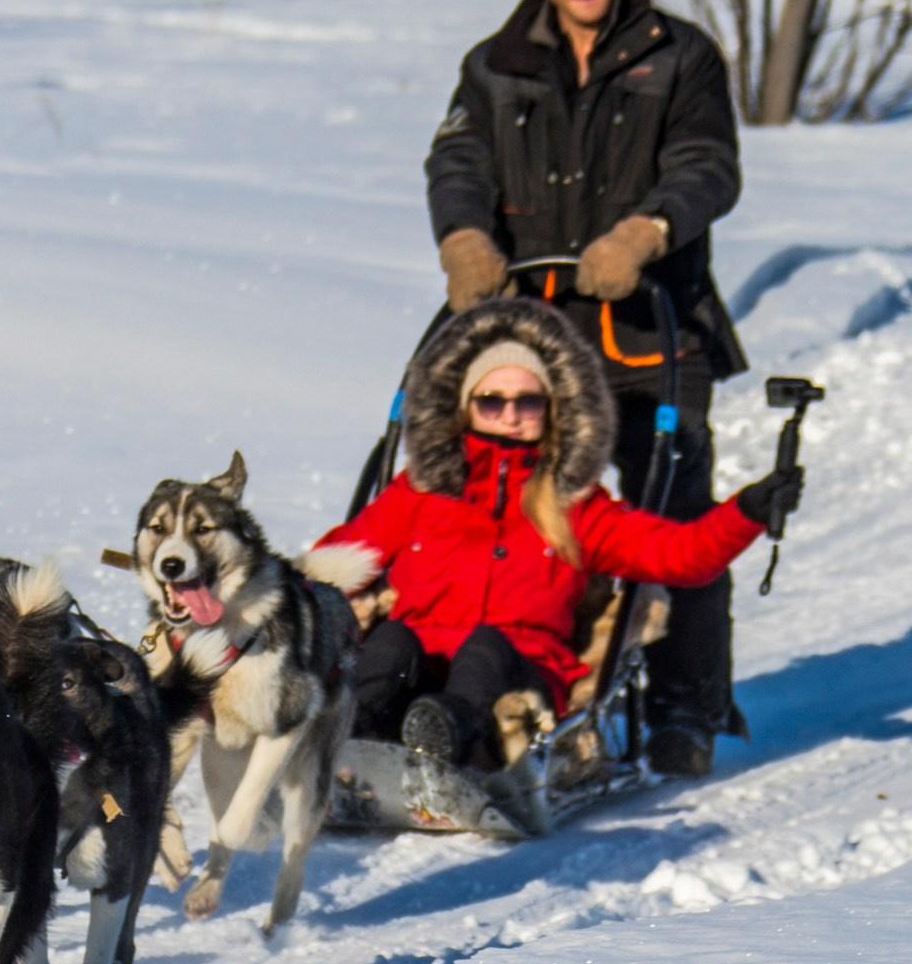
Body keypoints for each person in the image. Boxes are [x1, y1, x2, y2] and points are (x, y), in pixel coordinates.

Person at [425, 0, 747, 775]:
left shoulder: (679, 56)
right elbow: (458, 158)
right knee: (501, 514)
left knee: (672, 513)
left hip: (654, 328)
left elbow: (707, 166)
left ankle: (687, 707)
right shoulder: (495, 64)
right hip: (535, 335)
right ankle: (482, 684)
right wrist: (463, 238)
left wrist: (645, 232)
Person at [314, 300, 800, 768]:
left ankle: (457, 741)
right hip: (419, 667)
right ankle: (354, 739)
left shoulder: (575, 507)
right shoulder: (418, 495)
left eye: (527, 402)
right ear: (464, 408)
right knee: (391, 640)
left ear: (552, 409)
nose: (509, 416)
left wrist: (748, 512)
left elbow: (679, 555)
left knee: (485, 649)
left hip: (518, 677)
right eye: (491, 401)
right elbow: (335, 566)